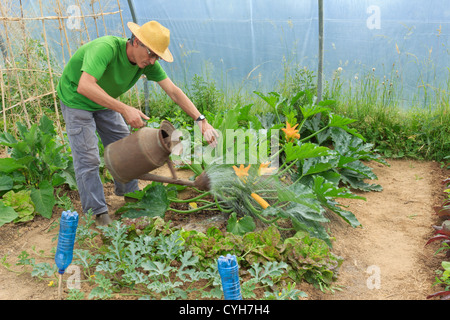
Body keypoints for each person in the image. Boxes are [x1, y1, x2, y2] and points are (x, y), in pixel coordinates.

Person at [57, 20, 218, 226]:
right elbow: (85, 86)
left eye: (157, 57)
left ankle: (131, 196)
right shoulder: (105, 49)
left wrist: (201, 120)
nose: (152, 61)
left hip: (104, 98)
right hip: (76, 99)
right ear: (136, 42)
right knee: (88, 158)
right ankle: (97, 212)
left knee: (126, 146)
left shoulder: (147, 63)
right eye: (151, 54)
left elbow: (174, 92)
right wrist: (124, 108)